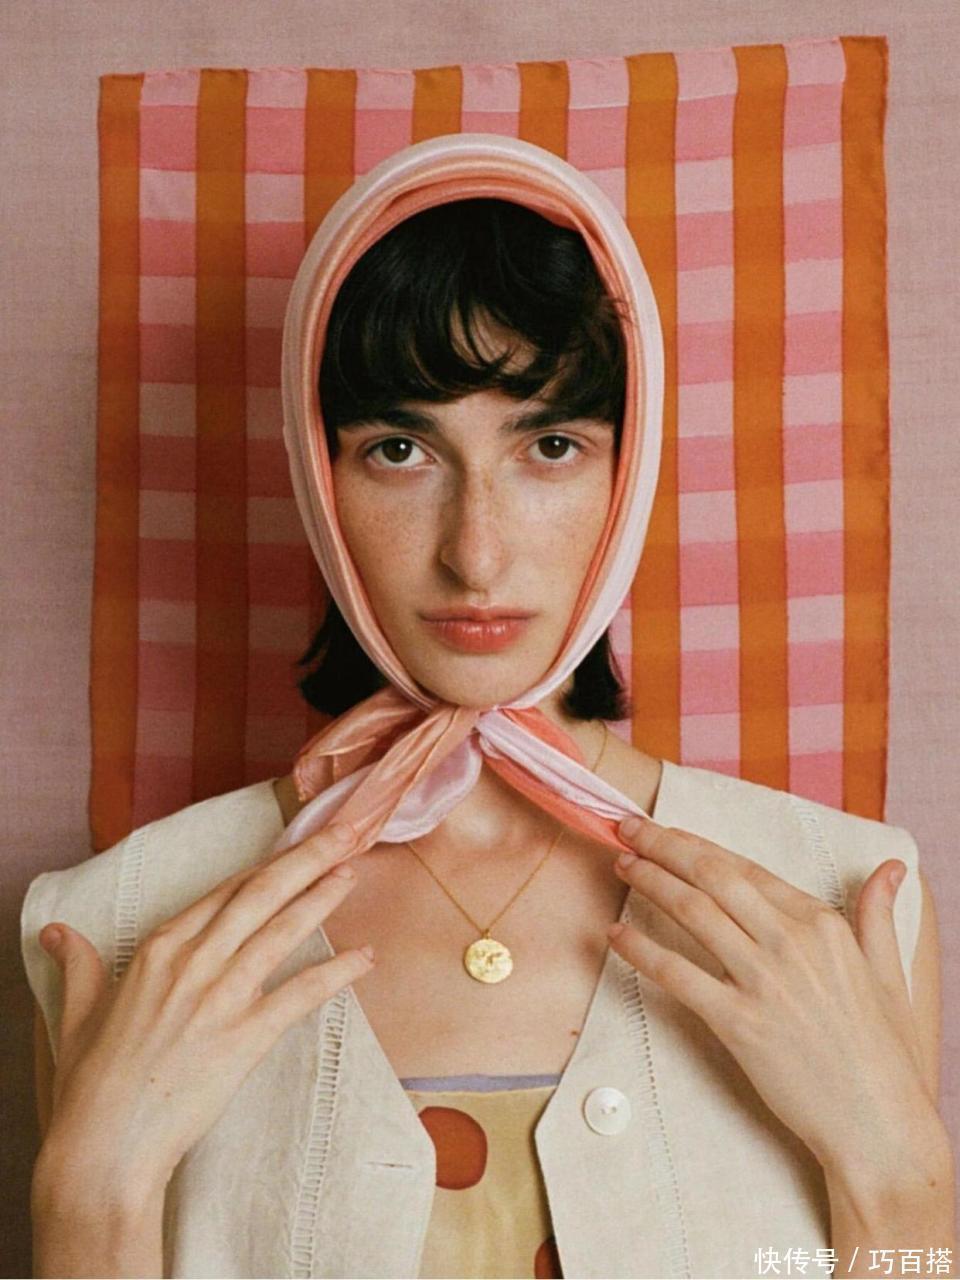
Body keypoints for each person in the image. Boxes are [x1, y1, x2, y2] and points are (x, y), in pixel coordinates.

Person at [22, 135, 952, 1280]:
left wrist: (901, 1174)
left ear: (628, 473)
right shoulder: (121, 920)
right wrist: (88, 1198)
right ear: (319, 475)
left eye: (549, 445)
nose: (476, 551)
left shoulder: (841, 895)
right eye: (400, 449)